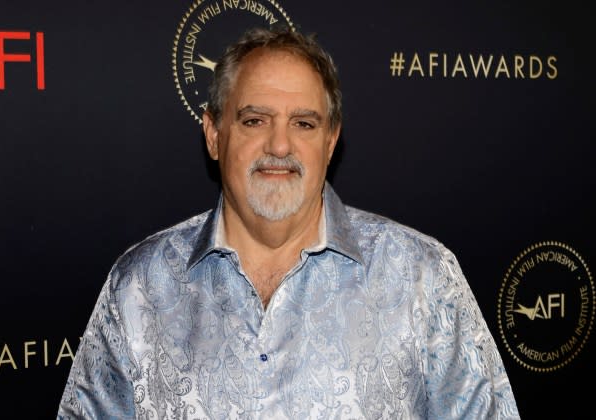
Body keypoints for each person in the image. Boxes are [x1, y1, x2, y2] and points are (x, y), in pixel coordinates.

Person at [57, 26, 520, 419]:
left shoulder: (422, 276)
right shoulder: (138, 287)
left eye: (304, 124)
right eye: (255, 120)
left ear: (331, 140)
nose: (280, 146)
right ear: (214, 134)